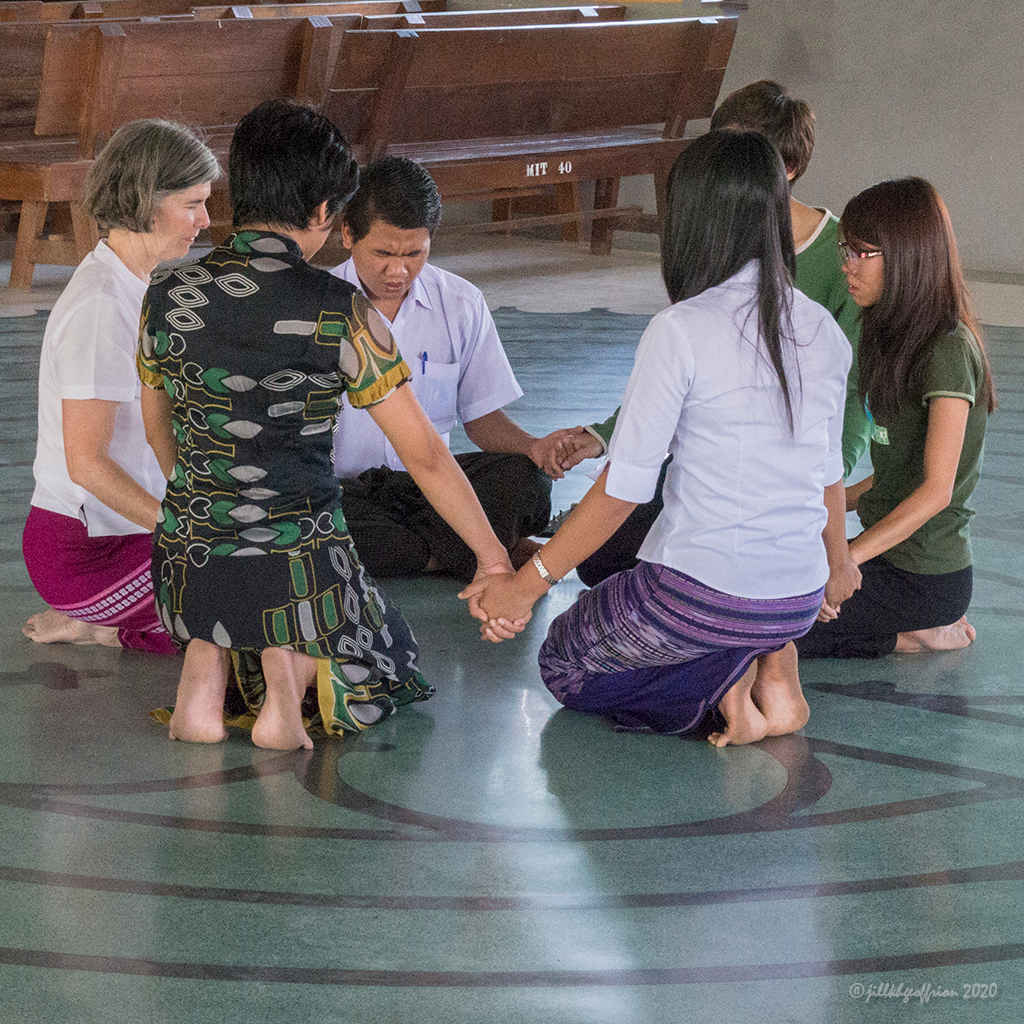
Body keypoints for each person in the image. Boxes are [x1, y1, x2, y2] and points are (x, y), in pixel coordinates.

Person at [461, 131, 859, 747]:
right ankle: (771, 664)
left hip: (702, 596)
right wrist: (837, 564)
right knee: (638, 592)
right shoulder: (824, 327)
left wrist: (524, 586)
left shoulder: (681, 329)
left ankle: (728, 686)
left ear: (693, 221)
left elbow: (623, 490)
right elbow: (828, 470)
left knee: (564, 661)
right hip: (797, 600)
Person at [139, 101, 514, 751]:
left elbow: (157, 429)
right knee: (387, 660)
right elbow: (425, 453)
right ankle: (285, 693)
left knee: (232, 563)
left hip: (186, 561)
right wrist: (492, 556)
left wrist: (216, 505)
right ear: (322, 214)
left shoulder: (166, 295)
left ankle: (205, 671)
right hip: (299, 566)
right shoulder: (339, 310)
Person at [553, 80, 871, 586]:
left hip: (787, 485)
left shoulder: (840, 261)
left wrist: (814, 494)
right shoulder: (713, 247)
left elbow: (847, 405)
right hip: (714, 463)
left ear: (785, 170)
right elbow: (679, 376)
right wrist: (603, 436)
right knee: (602, 556)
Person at [329, 156, 584, 581]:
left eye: (414, 253)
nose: (398, 270)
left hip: (437, 490)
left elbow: (481, 419)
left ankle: (433, 552)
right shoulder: (318, 307)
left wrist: (534, 447)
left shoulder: (461, 303)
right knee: (315, 519)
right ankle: (468, 549)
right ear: (347, 235)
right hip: (348, 492)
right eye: (383, 253)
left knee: (527, 479)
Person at [21, 120, 219, 654]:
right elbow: (87, 464)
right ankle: (105, 627)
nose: (205, 219)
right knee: (259, 616)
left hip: (129, 533)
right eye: (192, 204)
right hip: (85, 555)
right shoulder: (102, 307)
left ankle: (113, 623)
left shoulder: (137, 286)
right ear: (146, 202)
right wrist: (188, 528)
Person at [796, 177, 994, 658]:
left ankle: (913, 634)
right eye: (846, 250)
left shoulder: (948, 349)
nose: (847, 267)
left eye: (862, 254)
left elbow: (934, 491)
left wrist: (845, 561)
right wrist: (815, 508)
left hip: (925, 576)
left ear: (908, 256)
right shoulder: (881, 333)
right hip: (880, 553)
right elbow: (891, 477)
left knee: (781, 625)